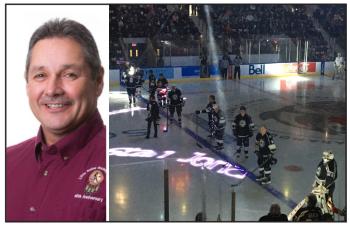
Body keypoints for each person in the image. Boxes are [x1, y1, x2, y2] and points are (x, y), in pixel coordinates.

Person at [6, 18, 106, 221]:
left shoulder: (109, 162)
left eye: (69, 74)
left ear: (98, 82)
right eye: (41, 75)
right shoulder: (7, 162)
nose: (52, 90)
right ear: (27, 84)